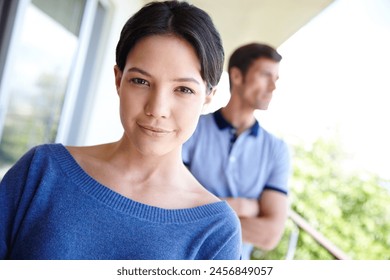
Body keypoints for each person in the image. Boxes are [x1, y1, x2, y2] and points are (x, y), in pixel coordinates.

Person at [0, 1, 242, 260]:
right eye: (141, 81)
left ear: (208, 97)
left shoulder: (215, 232)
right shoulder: (41, 172)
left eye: (184, 89)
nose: (157, 108)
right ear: (118, 80)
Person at [182, 43, 291, 260]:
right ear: (237, 76)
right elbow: (168, 203)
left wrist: (196, 217)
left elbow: (269, 235)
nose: (273, 87)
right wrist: (242, 206)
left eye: (275, 79)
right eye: (265, 76)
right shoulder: (190, 128)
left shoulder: (277, 150)